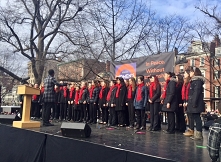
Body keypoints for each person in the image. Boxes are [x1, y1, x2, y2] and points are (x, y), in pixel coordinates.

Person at [187, 66, 205, 140]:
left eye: (191, 72)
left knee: (197, 118)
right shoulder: (194, 81)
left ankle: (199, 134)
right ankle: (197, 134)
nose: (189, 73)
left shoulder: (197, 82)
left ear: (194, 73)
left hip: (196, 103)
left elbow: (196, 93)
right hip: (194, 102)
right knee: (196, 117)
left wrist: (194, 103)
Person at [182, 69, 194, 137]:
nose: (184, 74)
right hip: (186, 100)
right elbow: (184, 93)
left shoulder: (190, 82)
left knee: (190, 116)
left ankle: (191, 130)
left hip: (189, 100)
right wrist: (184, 101)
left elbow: (188, 93)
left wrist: (187, 101)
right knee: (188, 115)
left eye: (185, 73)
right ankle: (190, 129)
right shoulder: (186, 82)